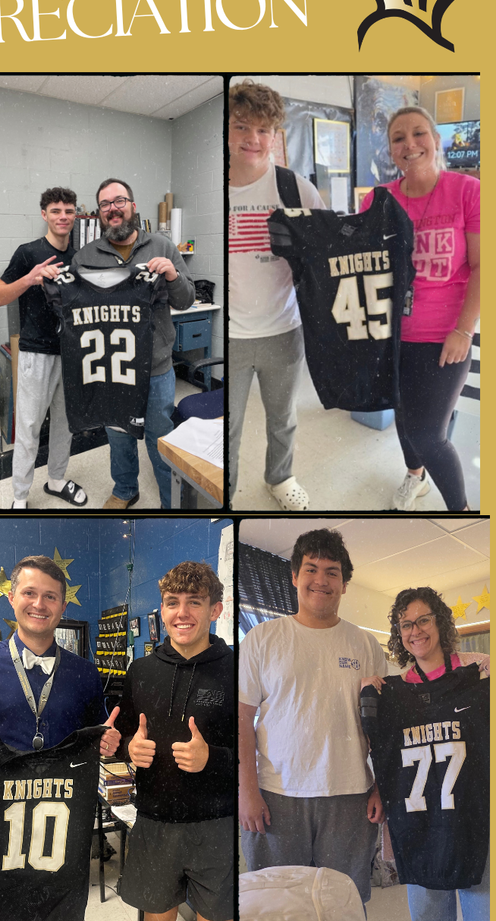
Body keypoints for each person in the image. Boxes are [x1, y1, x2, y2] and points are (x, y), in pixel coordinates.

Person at [238, 528, 386, 905]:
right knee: (276, 905)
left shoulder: (366, 644)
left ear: (345, 584)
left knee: (342, 903)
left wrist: (381, 785)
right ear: (294, 576)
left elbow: (384, 725)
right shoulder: (262, 639)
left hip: (350, 797)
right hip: (277, 796)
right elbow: (241, 721)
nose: (321, 580)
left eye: (332, 572)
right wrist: (248, 792)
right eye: (311, 569)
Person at [0, 555, 121, 921]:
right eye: (30, 593)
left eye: (51, 597)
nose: (39, 604)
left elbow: (100, 733)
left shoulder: (85, 673)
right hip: (0, 829)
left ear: (63, 606)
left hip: (63, 831)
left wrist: (110, 742)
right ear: (12, 598)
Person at [360, 108, 479, 511]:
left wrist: (464, 330)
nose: (409, 144)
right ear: (391, 151)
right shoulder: (377, 201)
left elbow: (483, 266)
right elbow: (359, 268)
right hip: (391, 338)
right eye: (398, 138)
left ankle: (461, 512)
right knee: (404, 420)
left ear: (436, 139)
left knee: (429, 434)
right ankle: (416, 477)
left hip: (444, 336)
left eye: (418, 133)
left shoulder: (467, 191)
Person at [361, 587, 489, 921]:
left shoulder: (481, 672)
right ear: (398, 634)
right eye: (406, 624)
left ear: (440, 622)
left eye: (423, 620)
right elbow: (384, 754)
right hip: (423, 827)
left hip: (476, 820)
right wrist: (372, 697)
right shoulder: (393, 693)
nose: (415, 630)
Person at [117, 561, 235, 921]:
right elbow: (122, 734)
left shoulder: (236, 669)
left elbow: (258, 751)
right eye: (172, 602)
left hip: (216, 824)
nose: (182, 613)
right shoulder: (140, 671)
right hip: (155, 820)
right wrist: (129, 749)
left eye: (195, 602)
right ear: (162, 610)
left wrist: (211, 758)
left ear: (215, 609)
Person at [227, 80, 325, 510]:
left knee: (283, 418)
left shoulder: (295, 188)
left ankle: (280, 477)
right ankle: (223, 491)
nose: (253, 139)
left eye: (263, 130)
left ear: (276, 134)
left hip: (284, 329)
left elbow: (329, 251)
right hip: (231, 336)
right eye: (242, 126)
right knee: (225, 428)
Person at [69, 179, 195, 510]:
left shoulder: (163, 247)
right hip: (111, 368)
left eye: (119, 200)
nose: (113, 208)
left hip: (155, 367)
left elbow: (186, 299)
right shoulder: (86, 257)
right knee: (119, 435)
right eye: (105, 204)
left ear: (132, 206)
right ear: (99, 213)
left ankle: (172, 499)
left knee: (159, 436)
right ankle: (125, 489)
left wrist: (171, 274)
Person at [0, 187, 88, 510]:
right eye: (56, 211)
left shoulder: (81, 258)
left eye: (69, 211)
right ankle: (20, 496)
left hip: (72, 353)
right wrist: (30, 279)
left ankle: (56, 480)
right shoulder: (28, 253)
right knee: (29, 428)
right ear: (44, 214)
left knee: (65, 423)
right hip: (36, 353)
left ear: (75, 215)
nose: (63, 217)